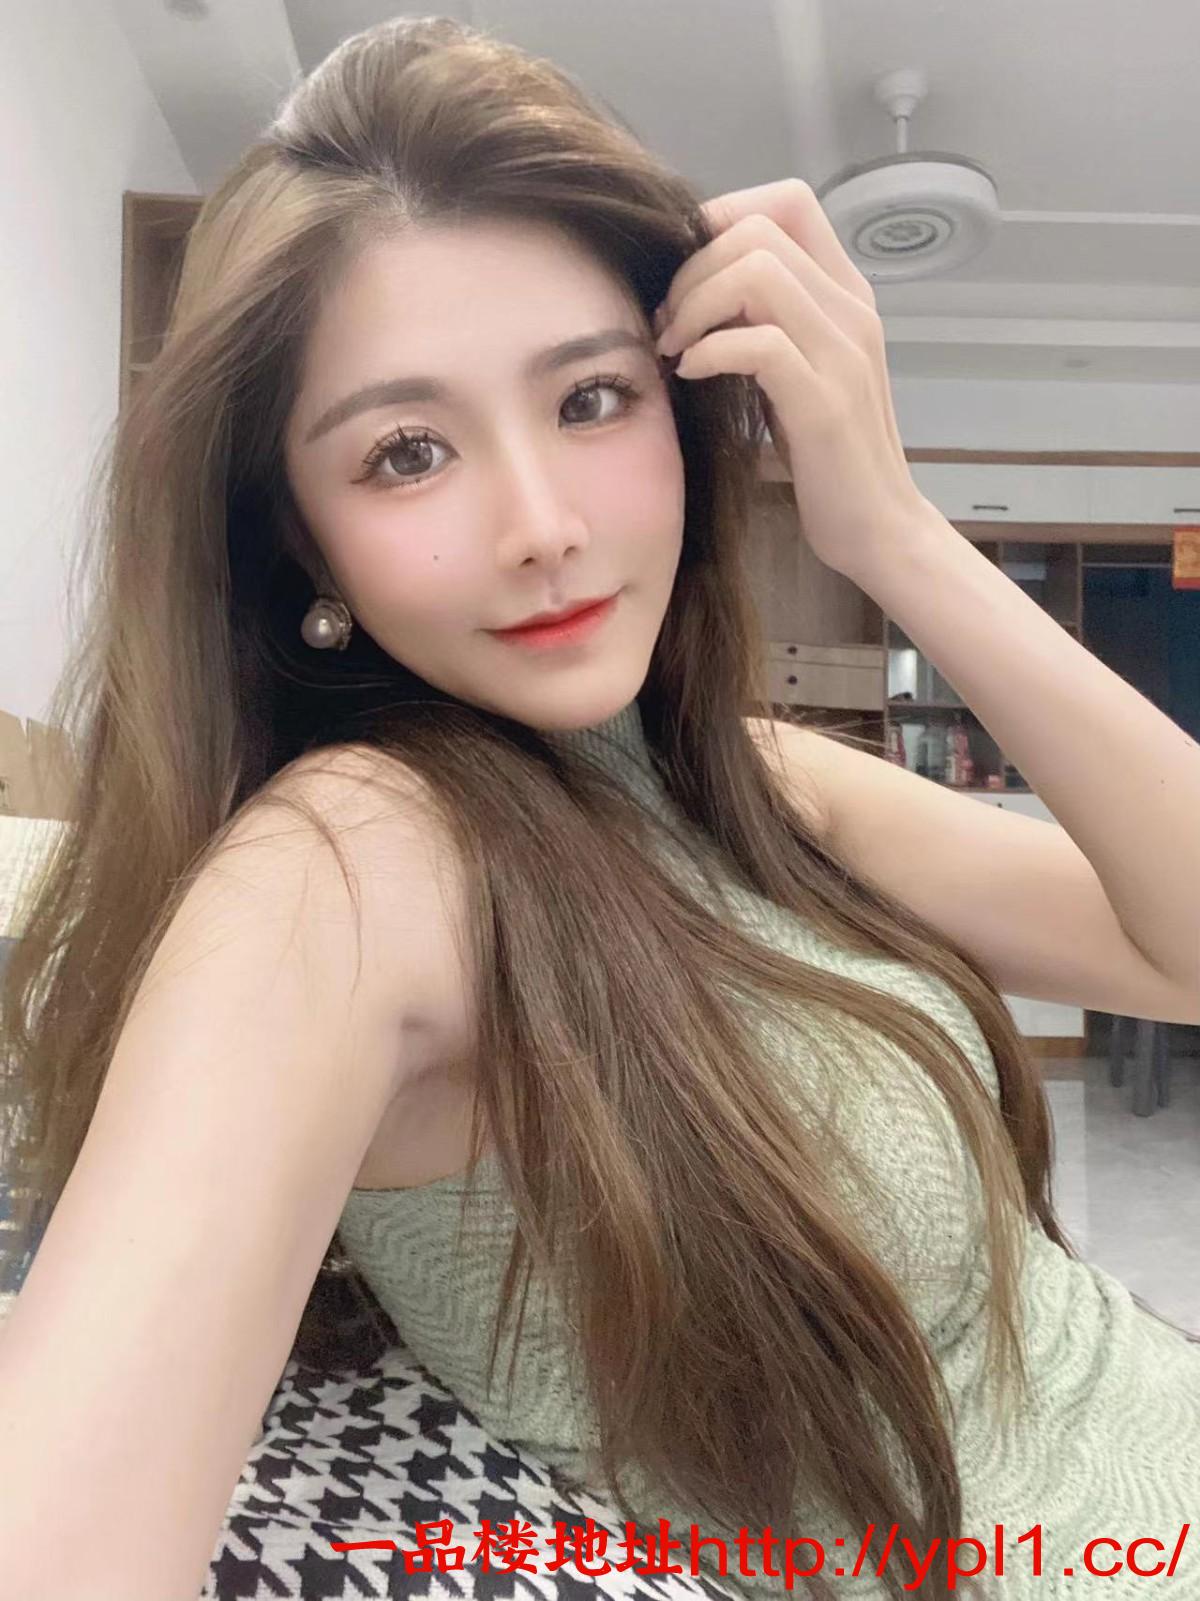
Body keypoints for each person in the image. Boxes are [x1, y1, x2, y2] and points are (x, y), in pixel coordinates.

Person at [1, 15, 1197, 1601]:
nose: (545, 525)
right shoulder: (362, 855)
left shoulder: (743, 776)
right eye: (408, 452)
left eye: (590, 400)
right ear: (297, 539)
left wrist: (896, 532)